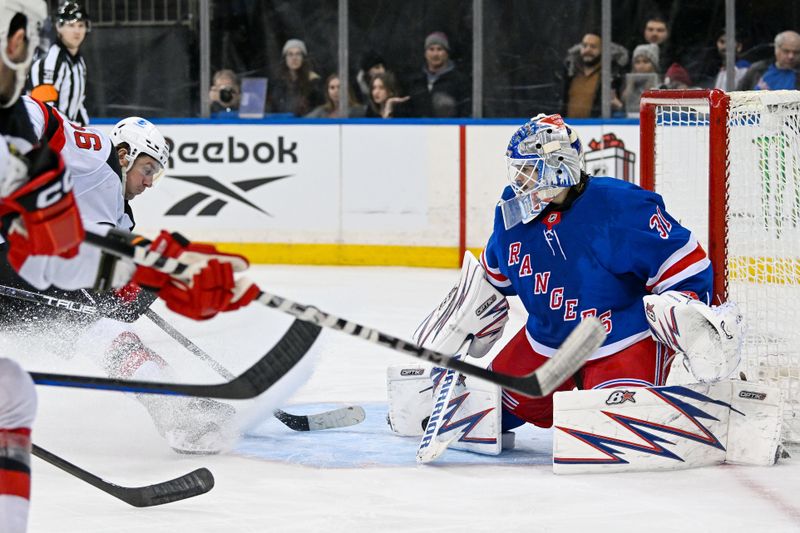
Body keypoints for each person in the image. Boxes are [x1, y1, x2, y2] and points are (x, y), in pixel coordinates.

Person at [477, 114, 713, 435]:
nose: (520, 181)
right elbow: (495, 279)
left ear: (559, 165)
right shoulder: (512, 212)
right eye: (519, 171)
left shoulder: (619, 205)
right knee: (482, 406)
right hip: (547, 341)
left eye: (530, 170)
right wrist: (470, 317)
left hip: (618, 338)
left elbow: (688, 269)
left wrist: (687, 314)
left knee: (611, 426)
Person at [28, 1, 90, 125]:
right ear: (59, 27)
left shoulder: (79, 62)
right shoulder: (49, 60)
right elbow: (44, 109)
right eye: (71, 25)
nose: (77, 31)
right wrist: (72, 132)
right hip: (47, 137)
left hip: (66, 135)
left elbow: (77, 103)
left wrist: (85, 129)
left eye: (81, 25)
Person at [561, 32, 627, 118]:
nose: (588, 50)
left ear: (602, 50)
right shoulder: (570, 71)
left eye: (593, 47)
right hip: (569, 127)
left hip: (597, 127)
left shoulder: (613, 74)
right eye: (584, 46)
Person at [404, 31, 469, 117]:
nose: (435, 54)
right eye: (431, 49)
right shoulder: (416, 81)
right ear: (425, 53)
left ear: (446, 54)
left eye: (439, 49)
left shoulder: (459, 80)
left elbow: (466, 111)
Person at [269, 38, 323, 116]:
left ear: (303, 58)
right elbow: (274, 107)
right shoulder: (278, 82)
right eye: (290, 54)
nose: (294, 58)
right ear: (285, 59)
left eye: (298, 54)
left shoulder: (313, 81)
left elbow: (318, 109)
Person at [621, 44, 661, 117]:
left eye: (645, 62)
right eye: (637, 62)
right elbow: (626, 104)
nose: (641, 66)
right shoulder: (629, 82)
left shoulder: (661, 85)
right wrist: (630, 85)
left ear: (654, 64)